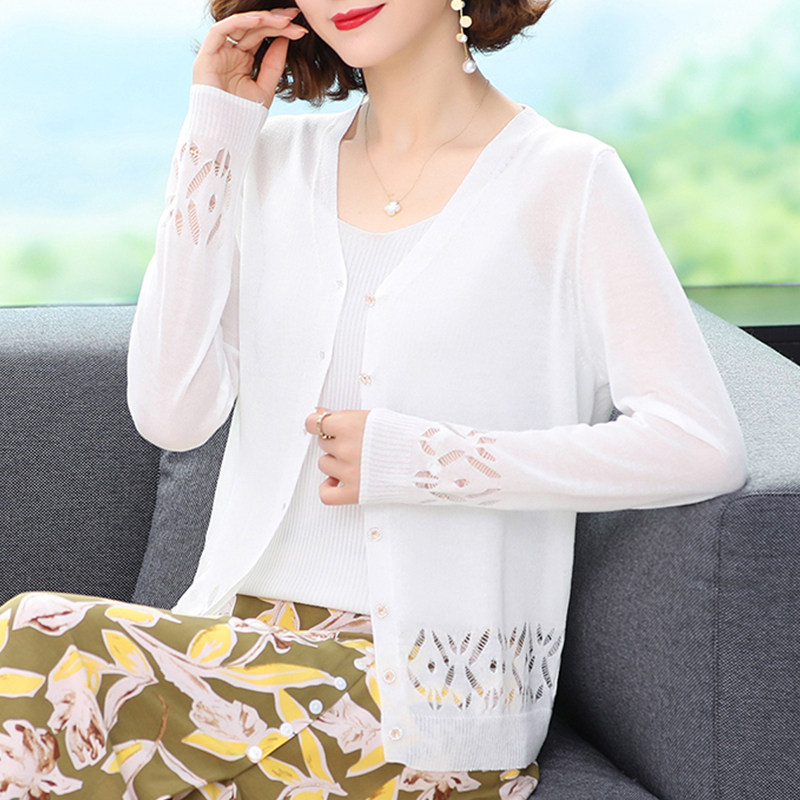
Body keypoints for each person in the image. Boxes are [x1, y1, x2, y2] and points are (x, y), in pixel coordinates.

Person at [0, 1, 748, 798]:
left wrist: (423, 460)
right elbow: (171, 412)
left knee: (34, 641)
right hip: (232, 655)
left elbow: (699, 442)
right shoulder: (270, 160)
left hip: (428, 703)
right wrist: (215, 129)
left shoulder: (565, 178)